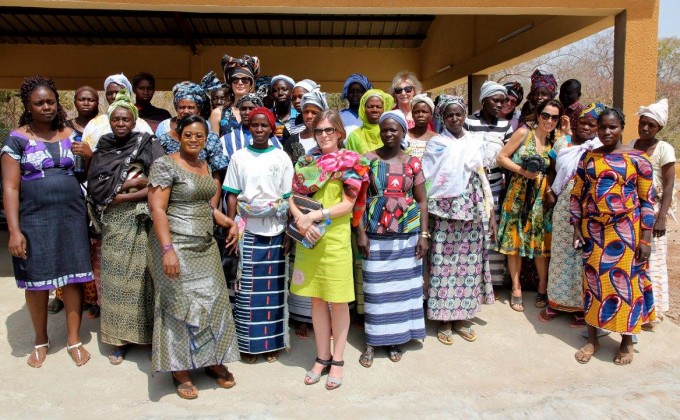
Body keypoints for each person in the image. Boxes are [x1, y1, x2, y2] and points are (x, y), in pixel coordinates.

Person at [1, 76, 93, 367]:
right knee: (36, 279)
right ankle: (40, 340)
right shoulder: (16, 139)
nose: (46, 107)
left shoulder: (73, 135)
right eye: (39, 103)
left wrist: (89, 158)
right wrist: (14, 230)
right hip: (34, 219)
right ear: (29, 106)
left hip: (72, 216)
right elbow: (10, 188)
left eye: (51, 101)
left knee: (74, 277)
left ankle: (74, 339)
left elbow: (85, 177)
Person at [147, 114, 240, 399]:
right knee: (180, 302)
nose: (194, 140)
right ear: (178, 134)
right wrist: (167, 250)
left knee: (214, 299)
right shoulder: (164, 165)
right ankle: (180, 369)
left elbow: (204, 205)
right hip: (175, 243)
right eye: (188, 134)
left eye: (200, 135)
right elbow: (158, 209)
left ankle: (211, 360)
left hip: (204, 243)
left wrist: (228, 221)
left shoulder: (204, 165)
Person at [289, 110, 369, 390]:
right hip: (308, 238)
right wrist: (300, 219)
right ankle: (321, 357)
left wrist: (315, 216)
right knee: (317, 300)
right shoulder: (306, 161)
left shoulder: (352, 161)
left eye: (329, 130)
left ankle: (338, 360)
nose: (324, 135)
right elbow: (293, 198)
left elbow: (348, 204)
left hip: (334, 238)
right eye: (319, 130)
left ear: (339, 133)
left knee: (337, 301)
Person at [571, 107, 656, 365]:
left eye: (612, 127)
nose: (606, 132)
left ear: (622, 128)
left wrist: (645, 240)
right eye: (602, 127)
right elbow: (577, 195)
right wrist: (576, 227)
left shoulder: (638, 159)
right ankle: (593, 338)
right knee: (593, 283)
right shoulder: (589, 158)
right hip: (594, 231)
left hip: (627, 231)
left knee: (628, 284)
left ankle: (626, 341)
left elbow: (646, 201)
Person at [86, 89, 164, 365]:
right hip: (115, 223)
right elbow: (96, 189)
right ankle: (118, 340)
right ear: (111, 121)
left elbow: (160, 180)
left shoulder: (146, 144)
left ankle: (150, 338)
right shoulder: (103, 148)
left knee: (145, 280)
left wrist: (125, 194)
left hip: (143, 220)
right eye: (116, 119)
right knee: (117, 281)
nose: (120, 124)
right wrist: (129, 185)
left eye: (125, 120)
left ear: (133, 121)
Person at [356, 110, 428, 367]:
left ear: (402, 132)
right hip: (375, 233)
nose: (388, 133)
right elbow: (359, 199)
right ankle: (373, 342)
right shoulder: (368, 160)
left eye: (393, 129)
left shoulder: (413, 163)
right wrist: (361, 232)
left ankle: (395, 340)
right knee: (376, 289)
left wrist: (423, 235)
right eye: (384, 129)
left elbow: (422, 201)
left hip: (406, 235)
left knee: (400, 289)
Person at [223, 107, 293, 364]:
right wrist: (231, 225)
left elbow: (287, 198)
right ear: (249, 127)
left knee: (273, 291)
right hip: (248, 230)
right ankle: (248, 346)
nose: (260, 130)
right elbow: (231, 193)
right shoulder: (239, 157)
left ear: (272, 128)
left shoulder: (282, 157)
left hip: (276, 230)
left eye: (265, 126)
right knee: (248, 291)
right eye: (255, 125)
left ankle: (271, 343)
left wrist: (288, 231)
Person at [424, 96, 496, 344]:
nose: (455, 119)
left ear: (464, 115)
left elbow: (482, 177)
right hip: (443, 211)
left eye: (459, 114)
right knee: (443, 263)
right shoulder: (436, 144)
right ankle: (444, 319)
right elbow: (428, 177)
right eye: (449, 115)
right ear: (442, 118)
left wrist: (490, 213)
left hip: (472, 209)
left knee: (469, 263)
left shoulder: (476, 142)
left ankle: (463, 316)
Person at [541, 102, 605, 324]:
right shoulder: (563, 143)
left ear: (598, 128)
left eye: (592, 125)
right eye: (583, 123)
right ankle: (556, 302)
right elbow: (550, 169)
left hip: (588, 208)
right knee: (559, 254)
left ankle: (580, 307)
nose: (586, 128)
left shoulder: (599, 148)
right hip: (563, 204)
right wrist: (548, 189)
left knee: (581, 257)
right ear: (576, 123)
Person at [496, 99, 563, 311]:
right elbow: (501, 157)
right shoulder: (523, 133)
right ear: (538, 114)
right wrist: (522, 171)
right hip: (517, 194)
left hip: (542, 199)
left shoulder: (556, 141)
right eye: (545, 115)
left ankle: (542, 287)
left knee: (540, 244)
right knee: (514, 241)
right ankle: (516, 288)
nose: (549, 120)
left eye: (554, 117)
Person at [49, 85, 101, 316]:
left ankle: (91, 296)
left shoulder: (103, 125)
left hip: (94, 188)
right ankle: (61, 294)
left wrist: (91, 156)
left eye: (91, 99)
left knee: (90, 245)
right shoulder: (63, 127)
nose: (86, 103)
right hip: (68, 189)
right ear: (75, 101)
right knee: (64, 242)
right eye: (82, 99)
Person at [283, 91, 328, 339]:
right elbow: (288, 172)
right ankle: (302, 317)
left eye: (314, 111)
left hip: (324, 206)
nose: (309, 116)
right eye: (305, 111)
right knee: (299, 259)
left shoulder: (327, 138)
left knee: (322, 259)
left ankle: (322, 316)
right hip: (298, 205)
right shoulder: (292, 139)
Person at [463, 81, 513, 288]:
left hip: (496, 184)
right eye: (495, 100)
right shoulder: (468, 122)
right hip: (472, 185)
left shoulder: (505, 126)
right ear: (484, 100)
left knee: (494, 231)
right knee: (475, 229)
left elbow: (508, 157)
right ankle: (473, 278)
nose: (500, 105)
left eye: (503, 101)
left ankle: (492, 282)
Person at [631, 99, 675, 330]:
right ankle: (635, 307)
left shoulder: (664, 149)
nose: (645, 128)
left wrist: (660, 219)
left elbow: (668, 186)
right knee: (634, 260)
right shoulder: (631, 144)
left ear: (658, 128)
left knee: (652, 263)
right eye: (643, 123)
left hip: (654, 211)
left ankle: (651, 313)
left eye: (651, 125)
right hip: (632, 211)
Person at [157, 82, 228, 175]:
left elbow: (216, 175)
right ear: (176, 109)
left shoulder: (211, 139)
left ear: (199, 110)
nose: (186, 111)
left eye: (191, 107)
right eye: (182, 107)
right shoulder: (165, 139)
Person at [81, 73, 153, 151]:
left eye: (118, 92)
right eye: (109, 93)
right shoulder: (94, 125)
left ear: (128, 94)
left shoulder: (141, 125)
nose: (114, 96)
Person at [210, 54, 260, 136]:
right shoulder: (218, 113)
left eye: (245, 80)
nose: (240, 83)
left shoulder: (260, 112)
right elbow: (214, 144)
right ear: (230, 84)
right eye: (235, 80)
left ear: (251, 84)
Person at [346, 89, 395, 155]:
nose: (374, 110)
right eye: (370, 106)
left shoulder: (391, 133)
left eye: (379, 107)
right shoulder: (354, 136)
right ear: (363, 109)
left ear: (384, 109)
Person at [405, 94, 437, 158]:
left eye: (424, 112)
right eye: (417, 112)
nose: (420, 115)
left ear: (431, 115)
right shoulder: (404, 136)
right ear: (412, 115)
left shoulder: (437, 139)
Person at [270, 74, 297, 141]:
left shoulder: (300, 117)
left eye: (284, 89)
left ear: (292, 93)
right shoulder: (267, 116)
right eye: (275, 90)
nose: (280, 93)